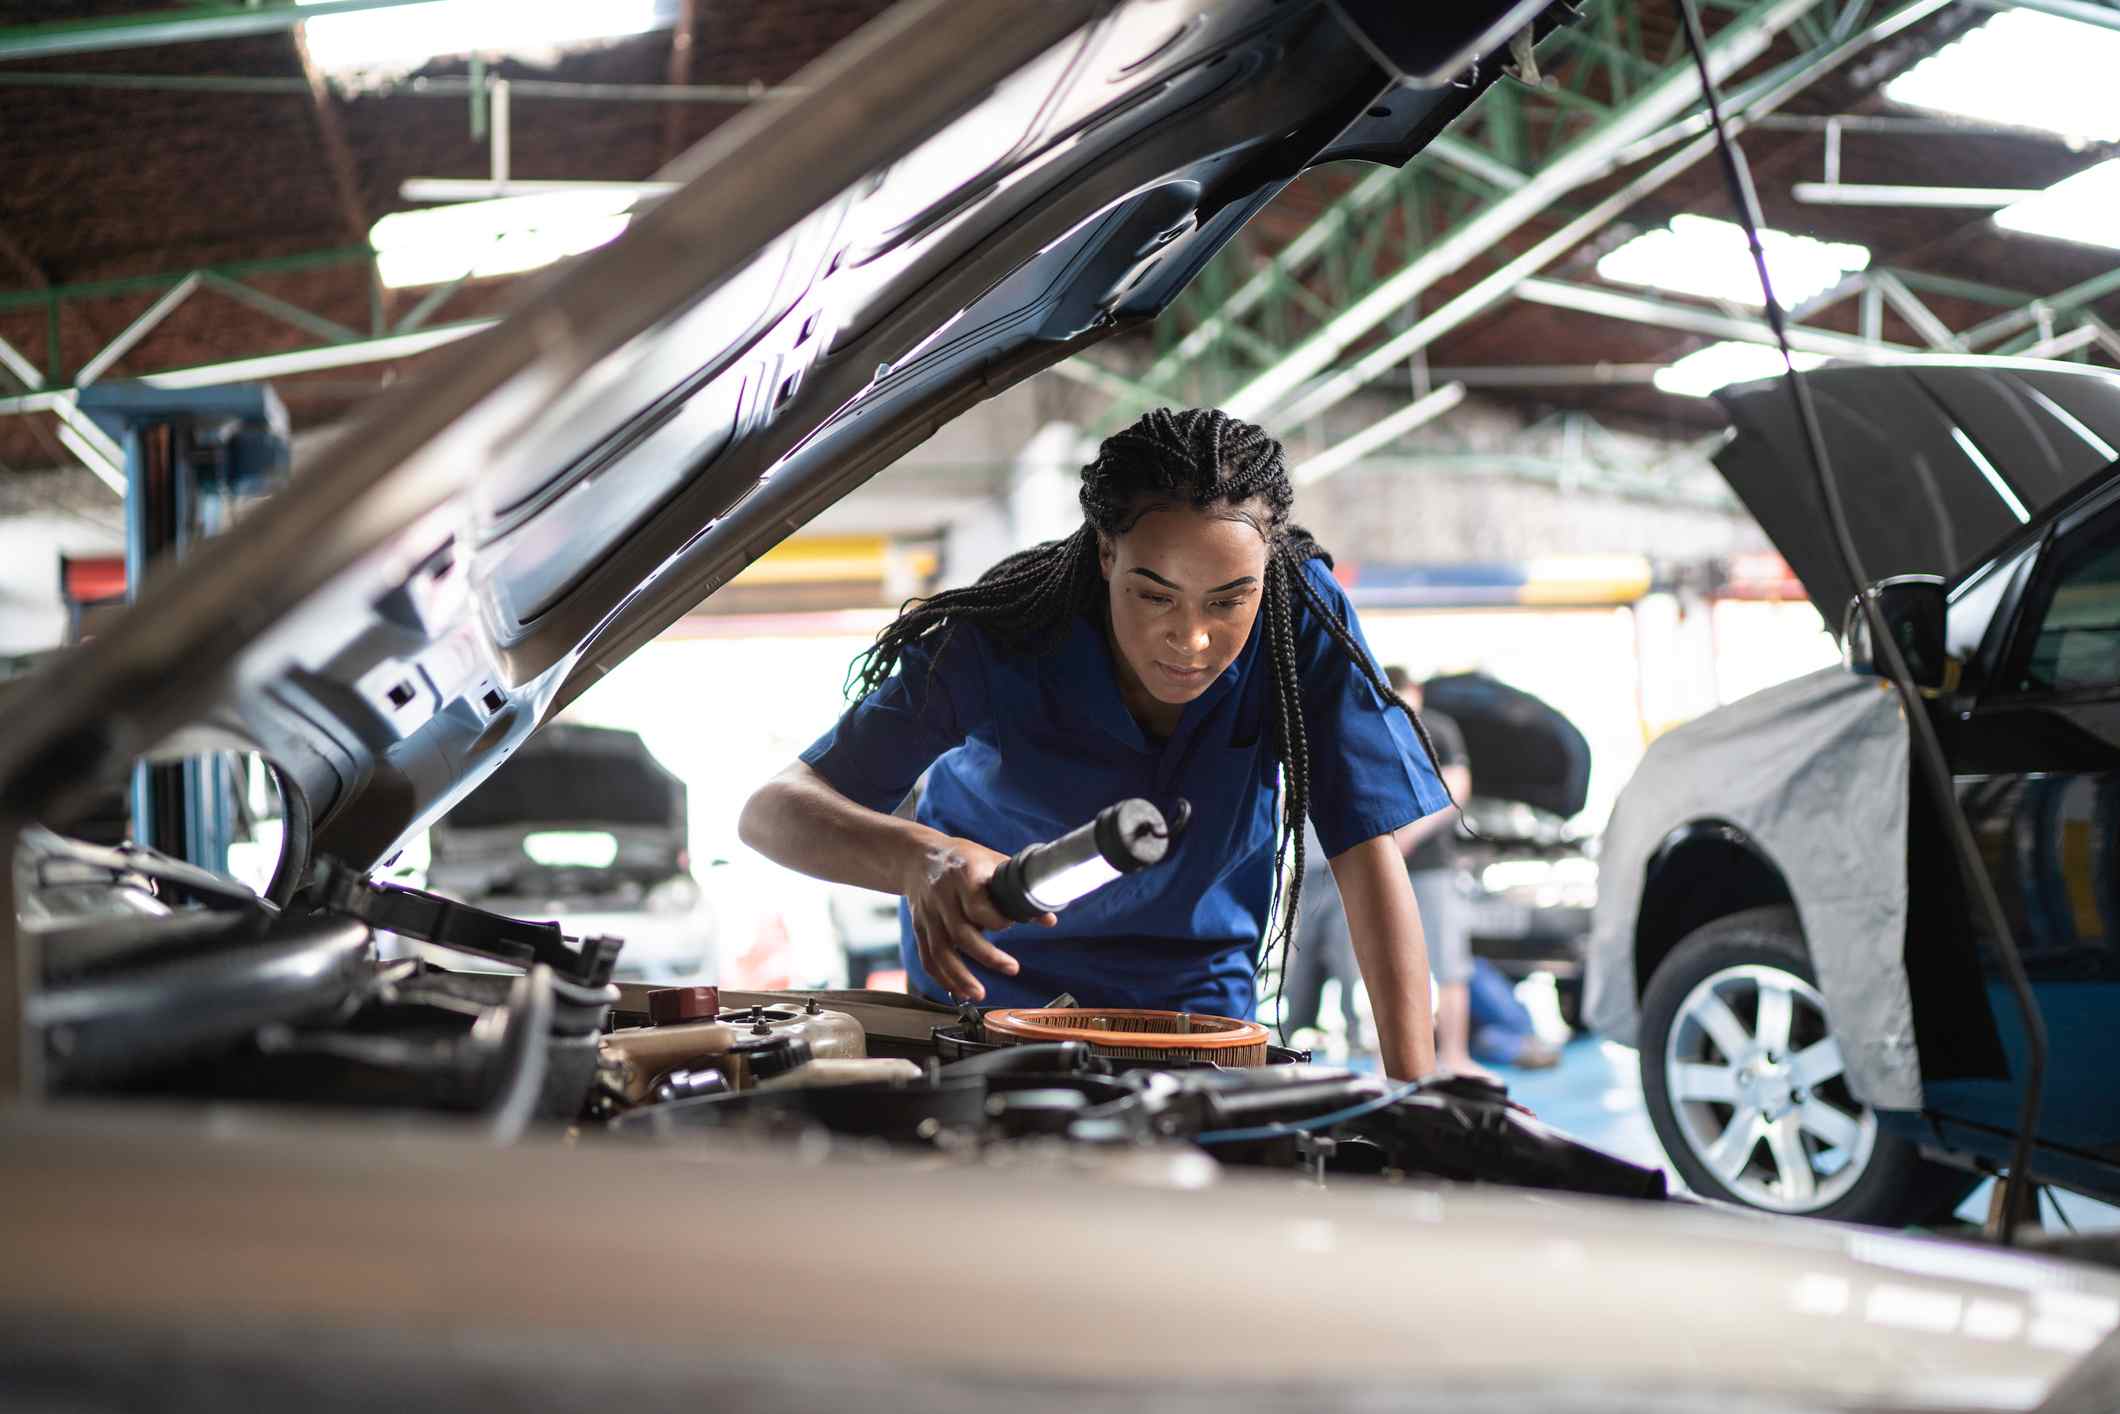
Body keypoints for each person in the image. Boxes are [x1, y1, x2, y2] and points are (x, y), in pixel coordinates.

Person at [739, 408, 1455, 1080]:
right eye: (1155, 595)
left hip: (1194, 1013)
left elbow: (1364, 852)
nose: (1193, 638)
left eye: (1228, 600)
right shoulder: (1005, 633)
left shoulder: (1298, 617)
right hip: (991, 1000)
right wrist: (919, 860)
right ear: (1108, 554)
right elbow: (773, 812)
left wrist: (1415, 1097)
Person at [1381, 666, 1485, 1078]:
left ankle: (1454, 1057)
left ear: (1416, 691)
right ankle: (1393, 1060)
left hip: (1433, 868)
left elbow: (1454, 790)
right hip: (1391, 869)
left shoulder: (1437, 729)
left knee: (1449, 965)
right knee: (1394, 967)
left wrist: (1410, 834)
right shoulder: (1378, 729)